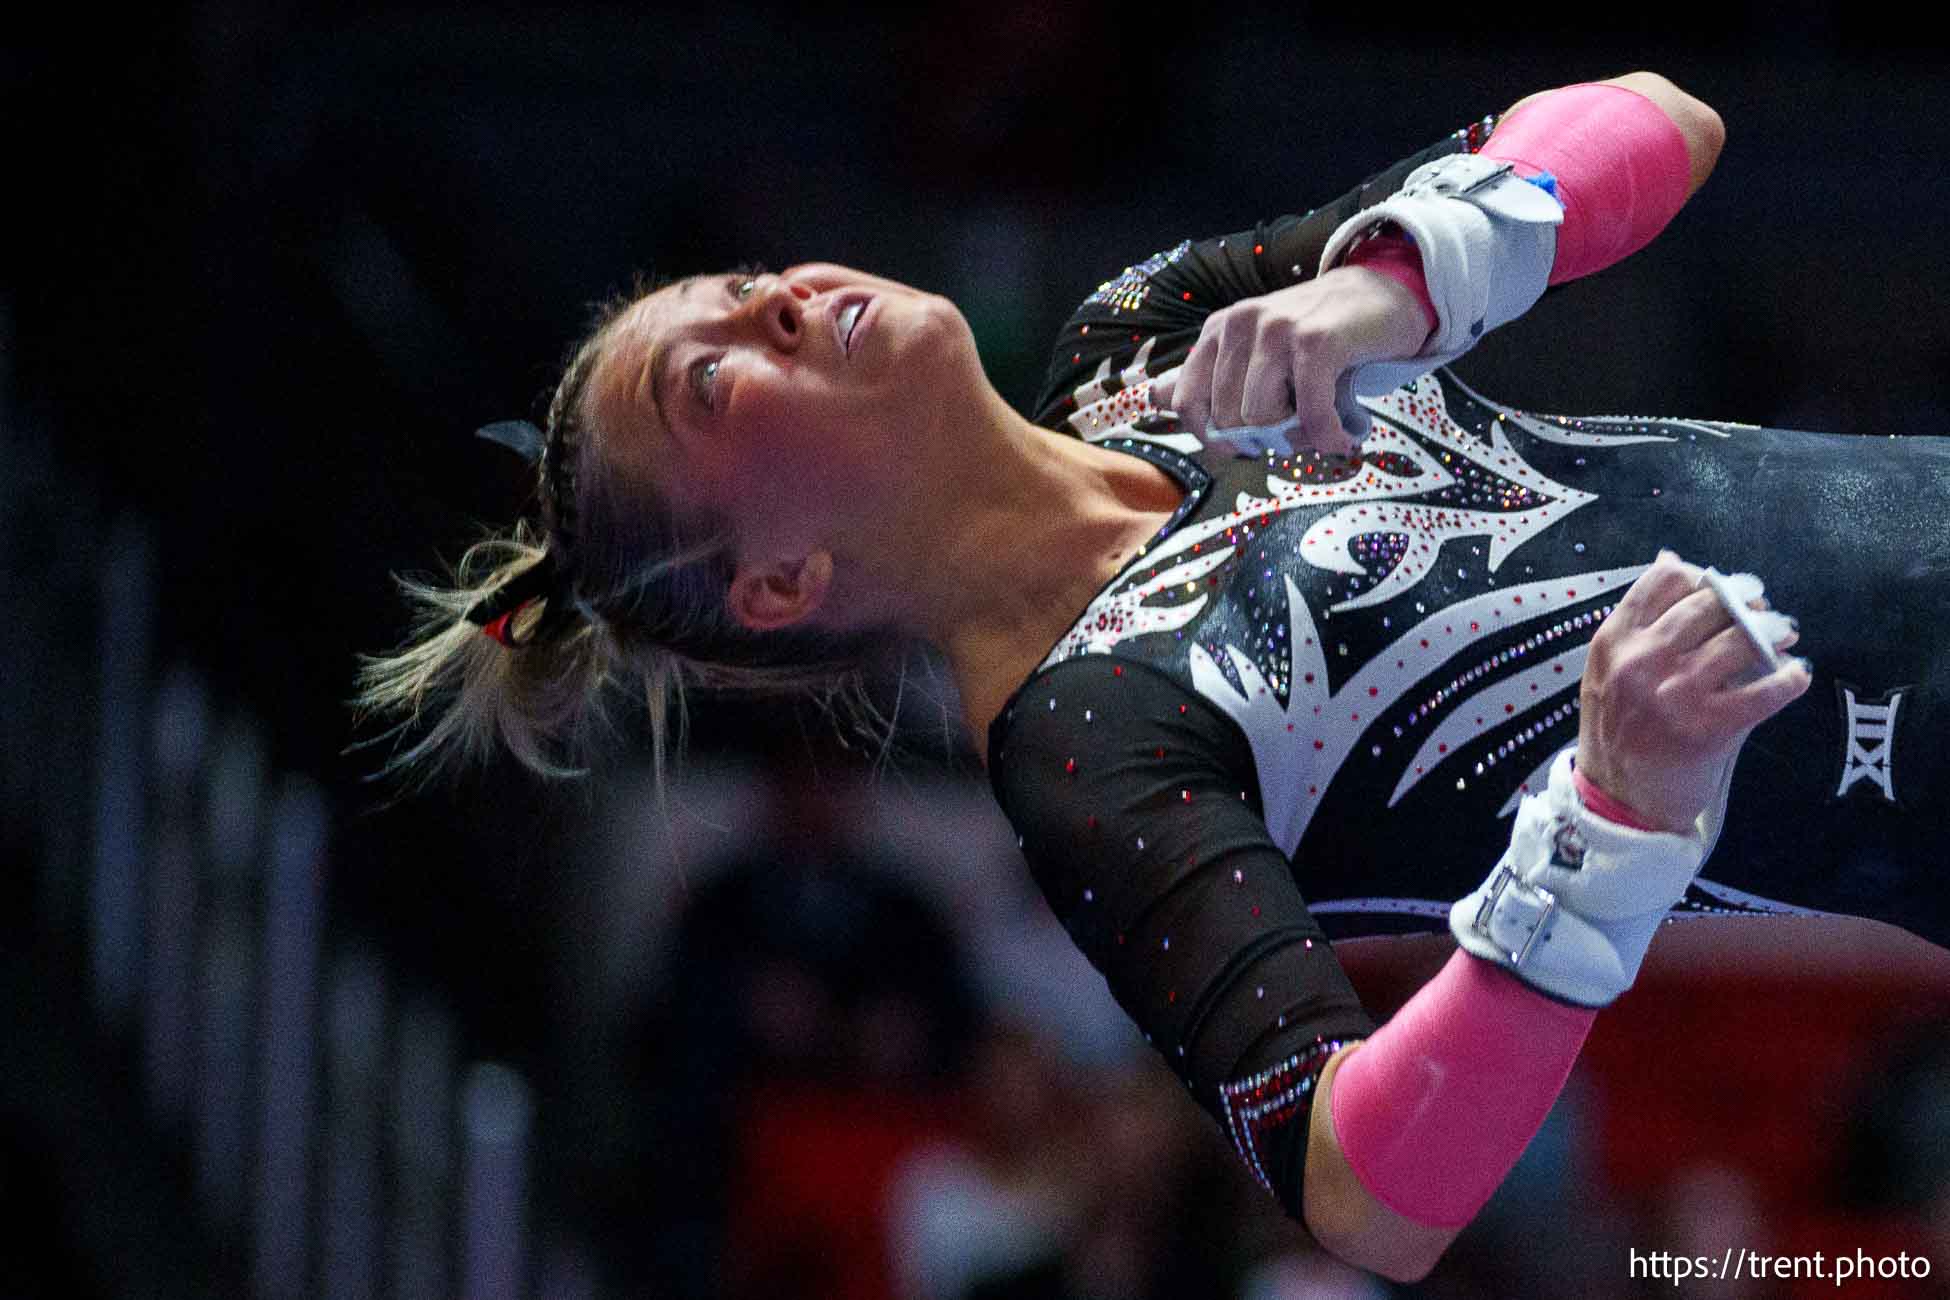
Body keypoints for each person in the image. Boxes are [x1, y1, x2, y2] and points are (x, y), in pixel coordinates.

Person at [352, 71, 1947, 1281]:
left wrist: (1393, 274)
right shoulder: (1089, 743)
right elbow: (1367, 1190)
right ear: (779, 586)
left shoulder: (1148, 343)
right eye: (716, 378)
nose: (771, 297)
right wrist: (1607, 825)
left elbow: (1664, 127)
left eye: (730, 285)